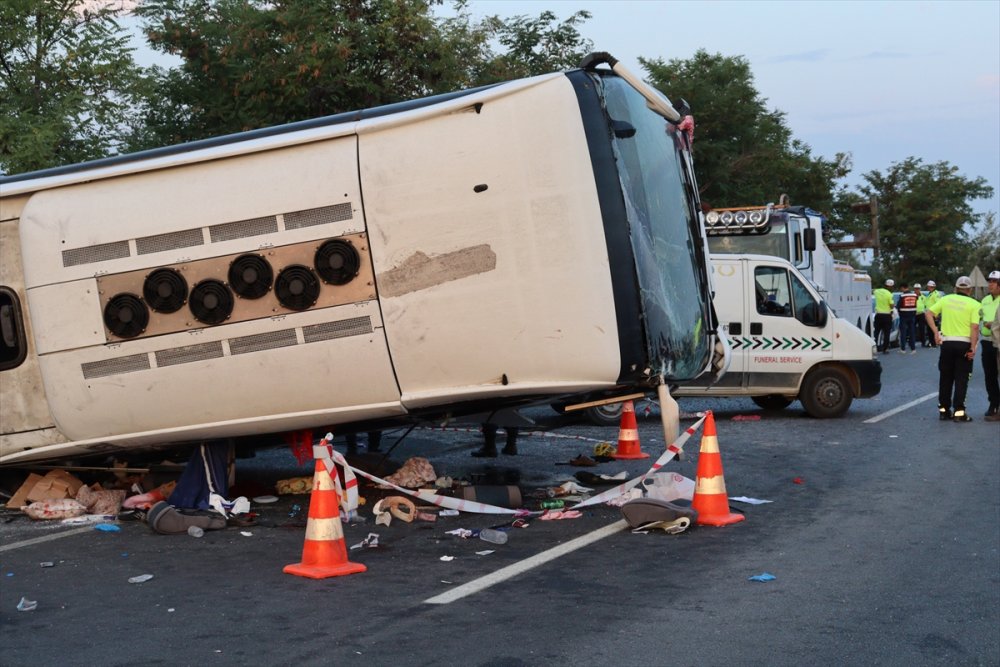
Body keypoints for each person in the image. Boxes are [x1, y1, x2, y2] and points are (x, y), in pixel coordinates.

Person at [925, 276, 981, 422]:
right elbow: (974, 327)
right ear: (969, 290)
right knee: (961, 379)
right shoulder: (975, 304)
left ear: (956, 288)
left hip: (947, 344)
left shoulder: (945, 299)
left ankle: (943, 411)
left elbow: (928, 313)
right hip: (964, 344)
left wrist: (936, 332)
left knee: (946, 378)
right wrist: (973, 347)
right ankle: (959, 412)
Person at [980, 270, 1000, 421]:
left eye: (994, 282)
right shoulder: (985, 299)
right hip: (986, 341)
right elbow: (979, 316)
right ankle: (993, 404)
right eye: (990, 281)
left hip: (999, 342)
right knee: (990, 376)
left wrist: (991, 324)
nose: (990, 284)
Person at [872, 278, 895, 354]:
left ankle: (873, 347)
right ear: (891, 286)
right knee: (886, 333)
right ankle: (885, 349)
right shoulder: (889, 294)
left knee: (876, 332)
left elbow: (872, 291)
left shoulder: (877, 291)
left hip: (878, 315)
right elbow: (891, 306)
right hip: (886, 316)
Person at [897, 284, 918, 353]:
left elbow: (898, 306)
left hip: (904, 316)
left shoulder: (902, 296)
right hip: (912, 315)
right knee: (912, 332)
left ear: (903, 288)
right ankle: (913, 348)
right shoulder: (915, 295)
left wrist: (900, 312)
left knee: (903, 332)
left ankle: (903, 349)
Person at [925, 280, 944, 348]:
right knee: (930, 329)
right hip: (929, 314)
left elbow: (938, 304)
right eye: (929, 287)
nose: (929, 288)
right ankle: (932, 342)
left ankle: (935, 342)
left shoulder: (936, 294)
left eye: (931, 287)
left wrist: (936, 315)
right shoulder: (930, 294)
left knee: (934, 329)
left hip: (933, 314)